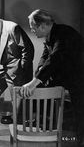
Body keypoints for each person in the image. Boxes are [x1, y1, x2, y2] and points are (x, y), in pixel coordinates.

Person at [20, 9, 84, 147]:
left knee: (80, 113)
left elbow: (54, 59)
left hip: (79, 78)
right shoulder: (50, 36)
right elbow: (45, 58)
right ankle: (43, 124)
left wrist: (34, 82)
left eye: (33, 28)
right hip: (67, 76)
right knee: (40, 87)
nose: (32, 31)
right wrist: (35, 79)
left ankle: (80, 140)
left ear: (42, 26)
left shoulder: (64, 33)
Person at [0, 10, 34, 124]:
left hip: (17, 67)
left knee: (17, 97)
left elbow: (28, 49)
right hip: (3, 66)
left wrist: (22, 69)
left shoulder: (13, 28)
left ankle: (20, 122)